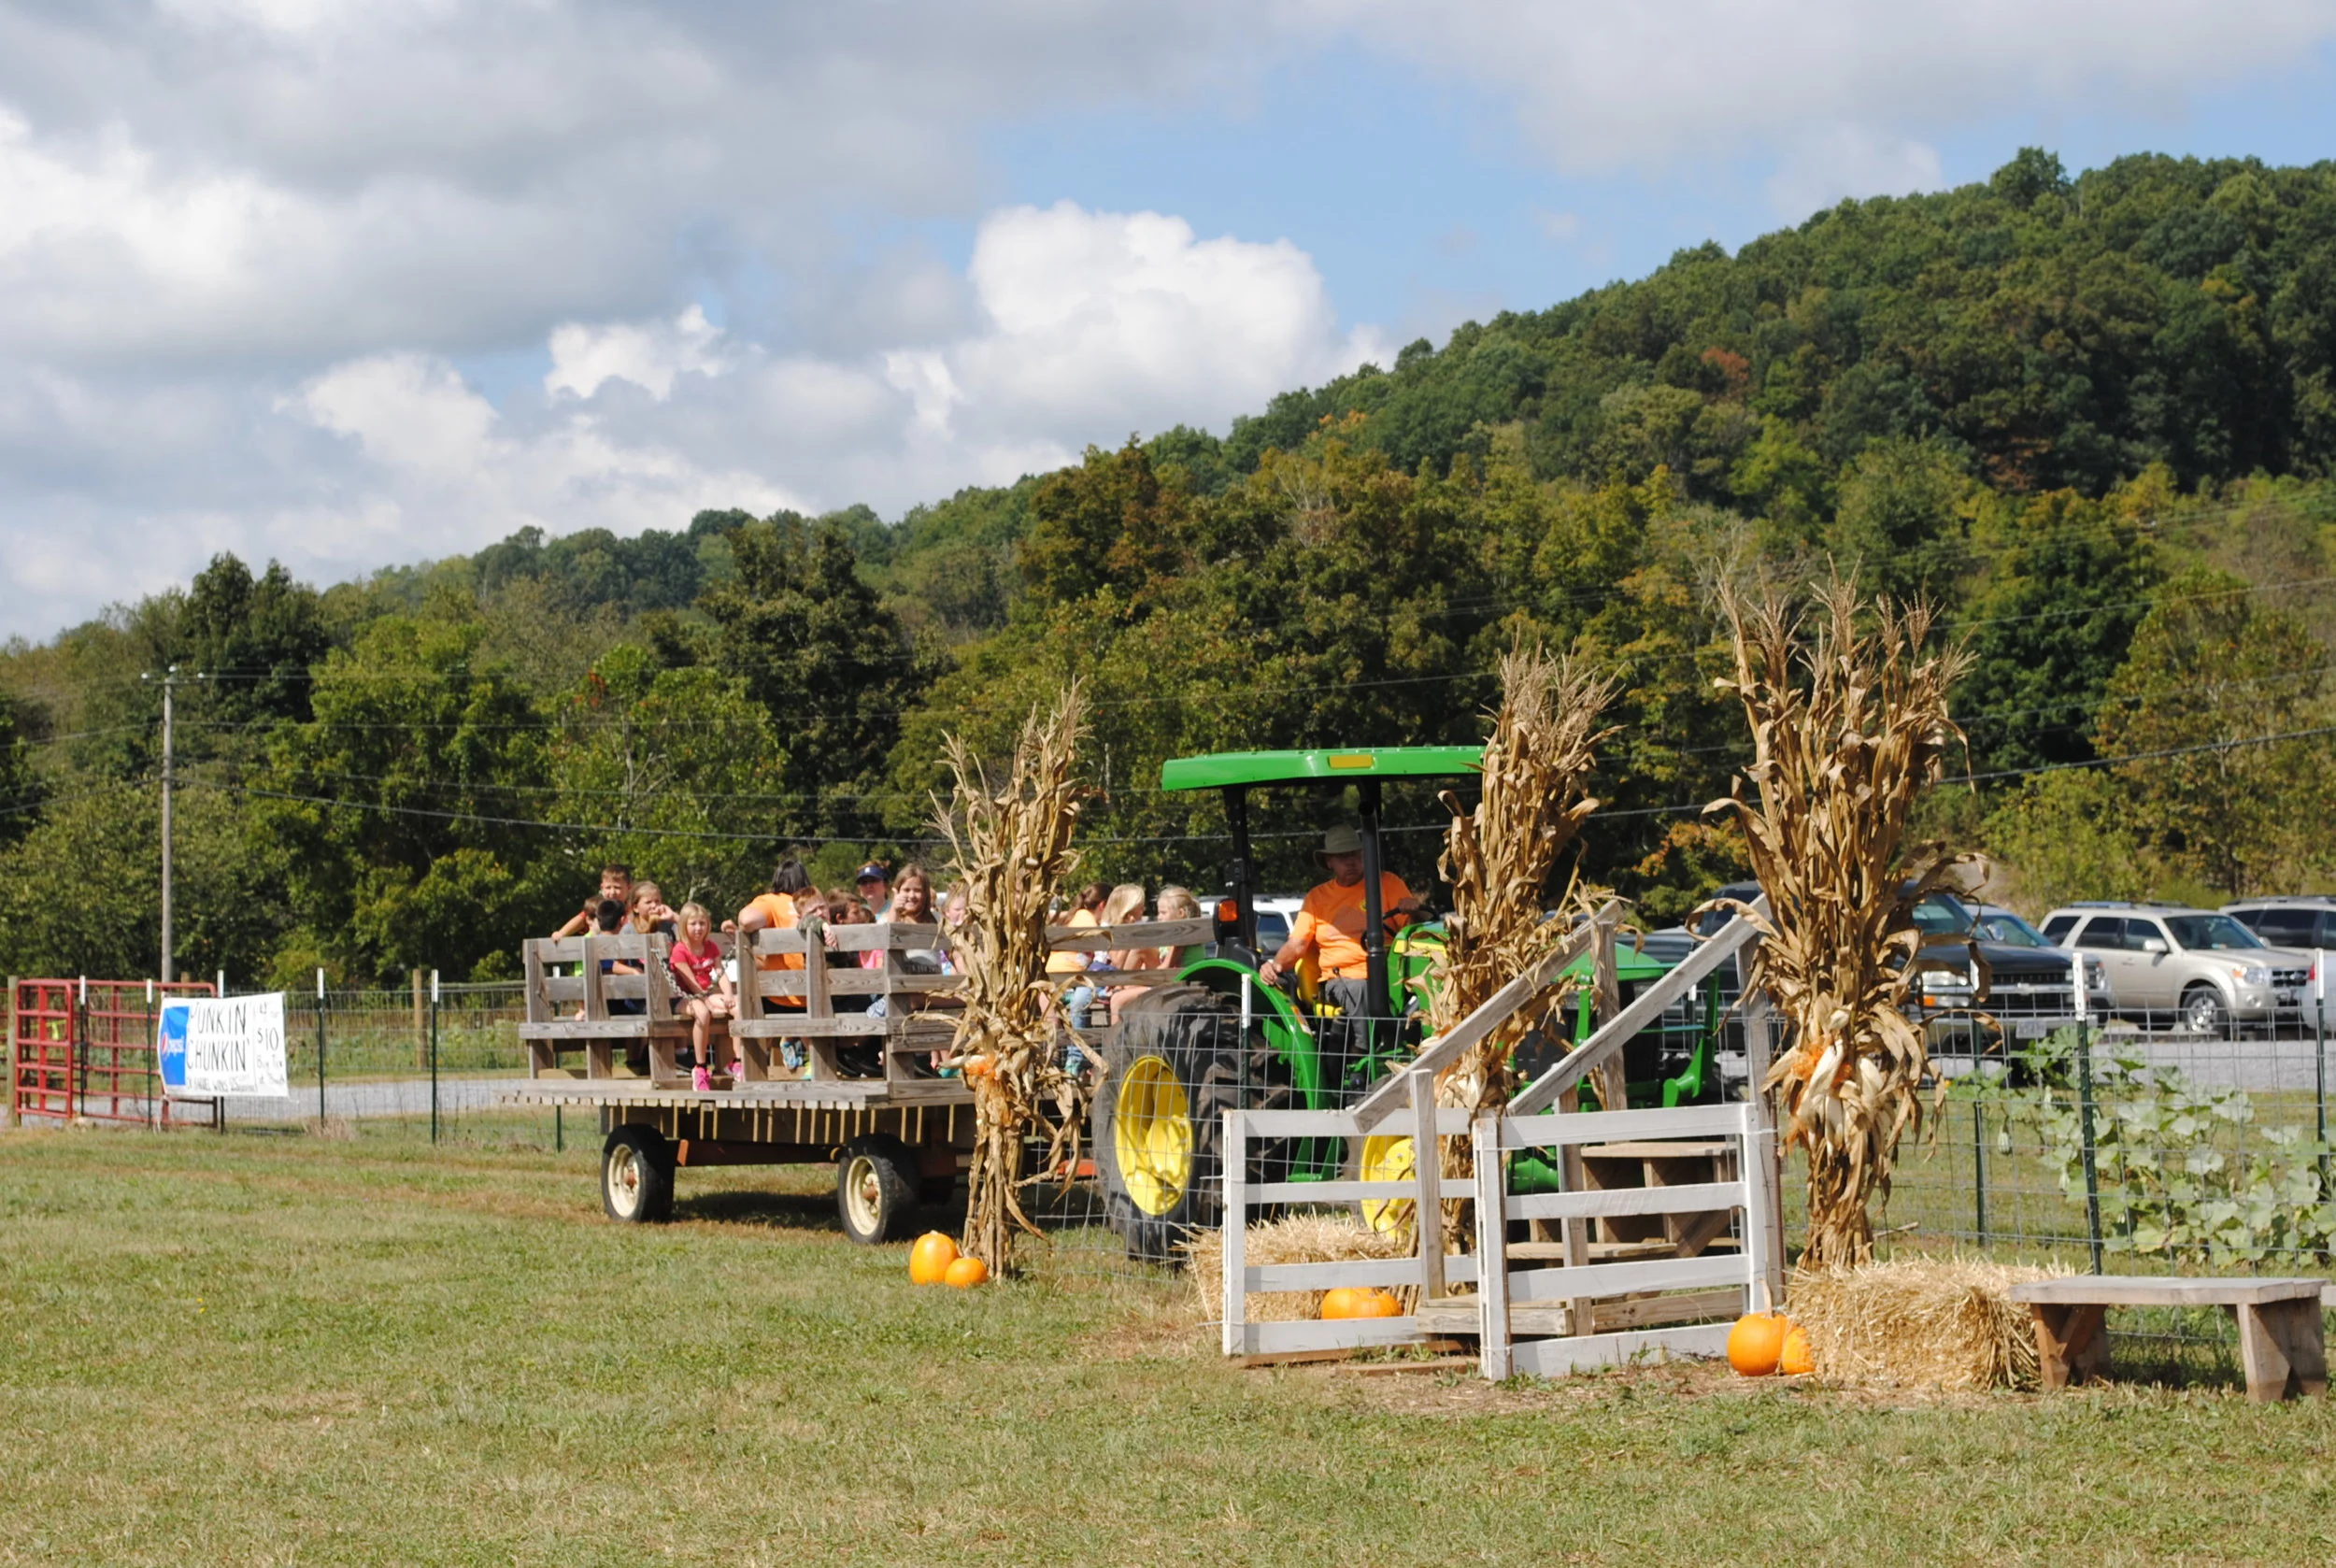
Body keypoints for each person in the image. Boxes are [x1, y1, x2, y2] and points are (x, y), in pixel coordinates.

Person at [1257, 826, 1423, 1017]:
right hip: (1342, 979)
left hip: (1392, 974)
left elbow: (1411, 932)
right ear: (1329, 862)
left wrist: (1413, 911)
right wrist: (1275, 965)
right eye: (1343, 857)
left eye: (1355, 854)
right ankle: (1363, 1047)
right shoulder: (1317, 898)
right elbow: (1297, 944)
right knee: (1362, 989)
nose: (1351, 862)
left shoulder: (1388, 883)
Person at [739, 860, 817, 1073]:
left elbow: (746, 920)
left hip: (779, 994)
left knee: (751, 1004)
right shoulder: (814, 899)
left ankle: (753, 1068)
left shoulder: (770, 901)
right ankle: (806, 1054)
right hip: (814, 993)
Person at [667, 902, 736, 1090]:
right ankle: (700, 1067)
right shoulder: (680, 950)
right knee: (703, 1013)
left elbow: (720, 973)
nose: (698, 928)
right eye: (693, 924)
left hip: (707, 993)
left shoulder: (711, 947)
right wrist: (706, 1000)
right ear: (684, 925)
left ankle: (736, 1061)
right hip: (685, 998)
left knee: (737, 1006)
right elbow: (690, 982)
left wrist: (729, 995)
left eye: (702, 923)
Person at [1048, 881, 1109, 1029]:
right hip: (1068, 977)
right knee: (1083, 996)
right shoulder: (1089, 921)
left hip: (1052, 976)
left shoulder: (1074, 915)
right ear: (1103, 905)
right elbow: (1101, 954)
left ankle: (1061, 1048)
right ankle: (1075, 1049)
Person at [552, 863, 633, 938]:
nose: (612, 892)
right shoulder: (599, 907)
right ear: (602, 888)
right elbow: (581, 919)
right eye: (608, 888)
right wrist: (561, 933)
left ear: (629, 888)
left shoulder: (634, 908)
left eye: (617, 888)